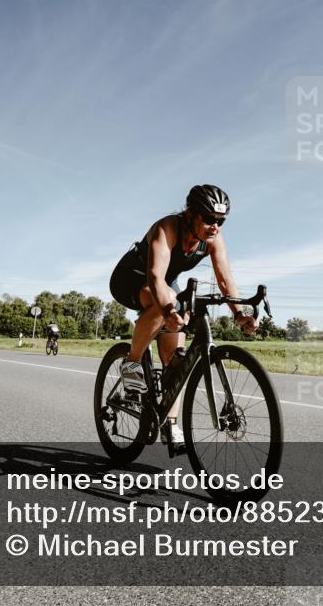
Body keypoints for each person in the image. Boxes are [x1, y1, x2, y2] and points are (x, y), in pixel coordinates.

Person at [109, 184, 257, 451]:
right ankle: (132, 363)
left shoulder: (213, 239)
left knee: (174, 362)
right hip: (132, 278)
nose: (215, 226)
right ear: (190, 214)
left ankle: (170, 423)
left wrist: (239, 313)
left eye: (221, 221)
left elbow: (225, 278)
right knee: (167, 301)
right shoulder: (167, 228)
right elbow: (155, 276)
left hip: (167, 284)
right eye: (209, 219)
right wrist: (168, 311)